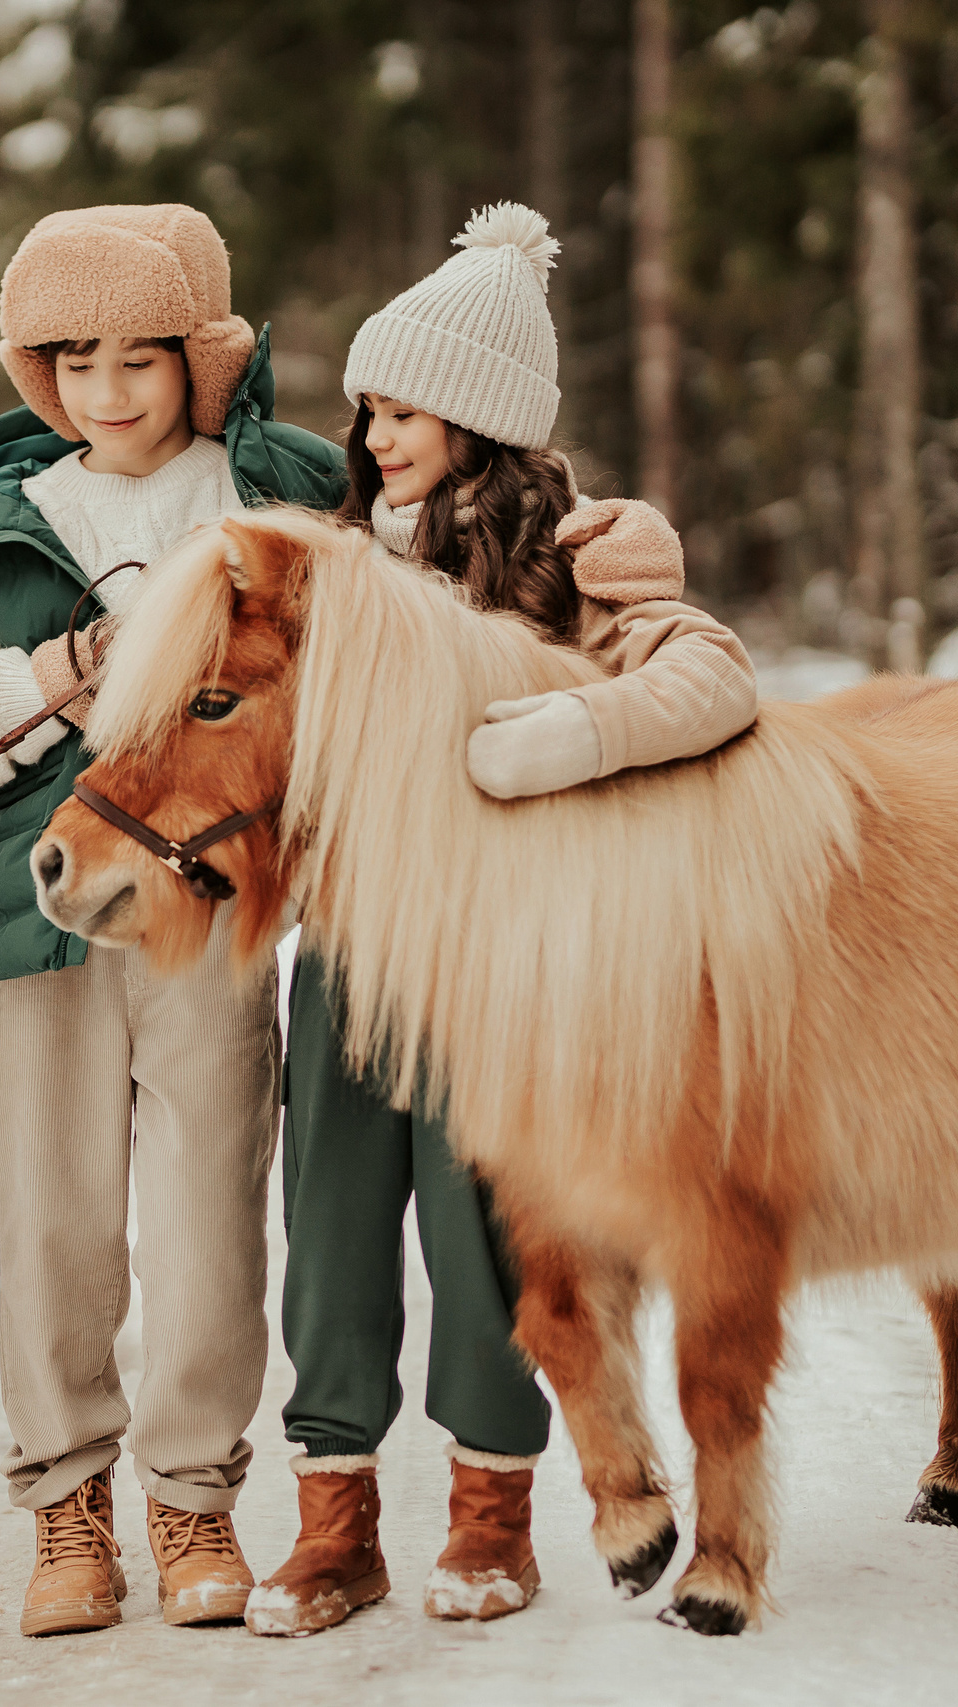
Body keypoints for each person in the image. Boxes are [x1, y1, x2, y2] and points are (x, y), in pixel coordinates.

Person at [245, 204, 761, 1638]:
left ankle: (491, 1520)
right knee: (331, 1233)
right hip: (347, 957)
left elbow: (717, 679)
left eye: (405, 406)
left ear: (478, 421)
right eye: (367, 406)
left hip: (501, 974)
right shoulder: (331, 566)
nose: (376, 432)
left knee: (489, 1244)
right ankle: (334, 1528)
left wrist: (570, 733)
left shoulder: (577, 562)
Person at [0, 204, 347, 1637]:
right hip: (36, 904)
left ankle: (195, 1494)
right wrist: (62, 673)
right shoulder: (5, 518)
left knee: (210, 1209)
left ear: (198, 361)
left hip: (205, 910)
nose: (107, 390)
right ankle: (67, 1506)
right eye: (73, 359)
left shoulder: (261, 506)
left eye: (138, 358)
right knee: (55, 1217)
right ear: (37, 374)